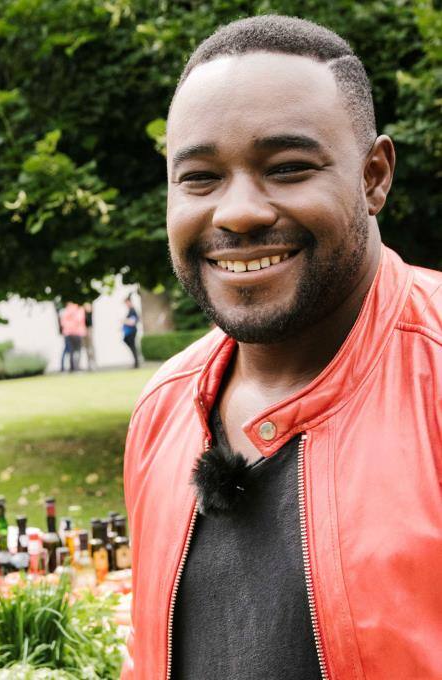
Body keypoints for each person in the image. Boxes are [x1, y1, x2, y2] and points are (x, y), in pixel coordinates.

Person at [122, 15, 442, 680]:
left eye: (288, 168)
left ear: (375, 176)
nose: (237, 212)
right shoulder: (161, 410)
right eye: (200, 177)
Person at [59, 302, 86, 372]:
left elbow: (63, 322)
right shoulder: (79, 309)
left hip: (68, 333)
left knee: (70, 351)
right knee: (77, 351)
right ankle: (76, 367)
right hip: (77, 333)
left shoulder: (66, 310)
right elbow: (80, 320)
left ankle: (71, 367)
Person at [122, 295, 140, 368]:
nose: (126, 305)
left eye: (126, 303)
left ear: (129, 302)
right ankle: (136, 363)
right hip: (129, 332)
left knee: (133, 347)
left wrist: (124, 321)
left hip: (131, 331)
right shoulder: (130, 310)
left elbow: (132, 322)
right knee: (131, 345)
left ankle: (136, 363)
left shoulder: (132, 310)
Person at [82, 302, 96, 370]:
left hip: (88, 328)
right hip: (82, 328)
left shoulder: (88, 303)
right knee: (86, 347)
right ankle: (89, 363)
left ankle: (93, 363)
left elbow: (89, 309)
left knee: (90, 346)